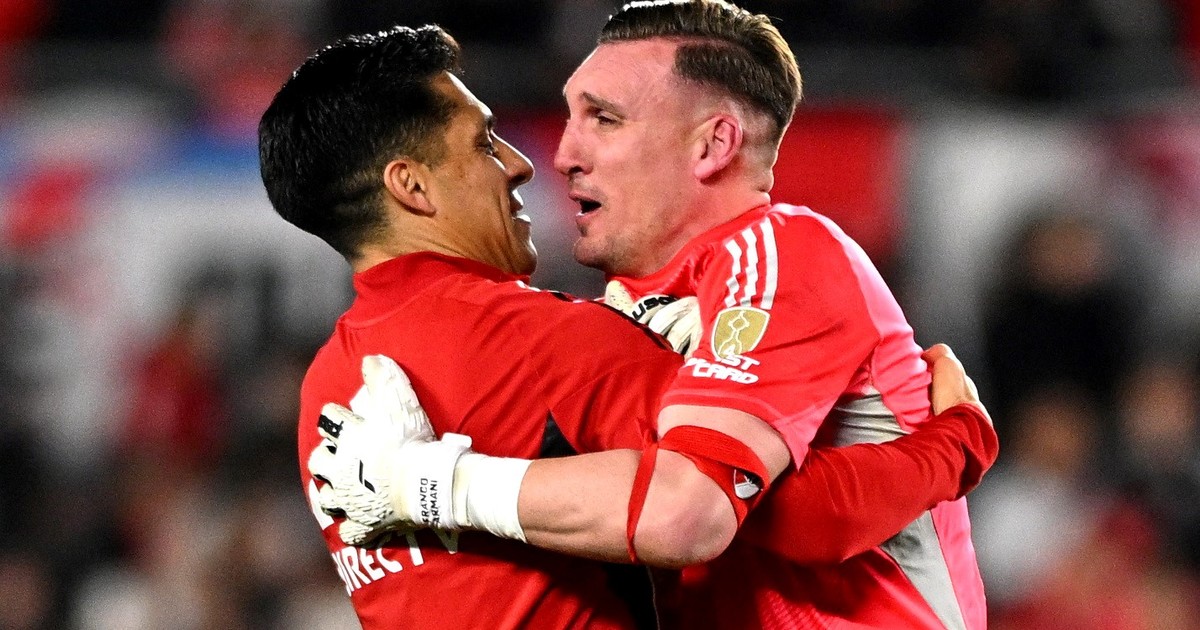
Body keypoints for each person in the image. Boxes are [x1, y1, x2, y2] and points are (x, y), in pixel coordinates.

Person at [260, 20, 995, 630]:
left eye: (603, 120)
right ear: (411, 187)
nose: (535, 161)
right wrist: (955, 443)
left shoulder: (328, 389)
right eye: (484, 143)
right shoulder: (546, 341)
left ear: (712, 144)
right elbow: (742, 512)